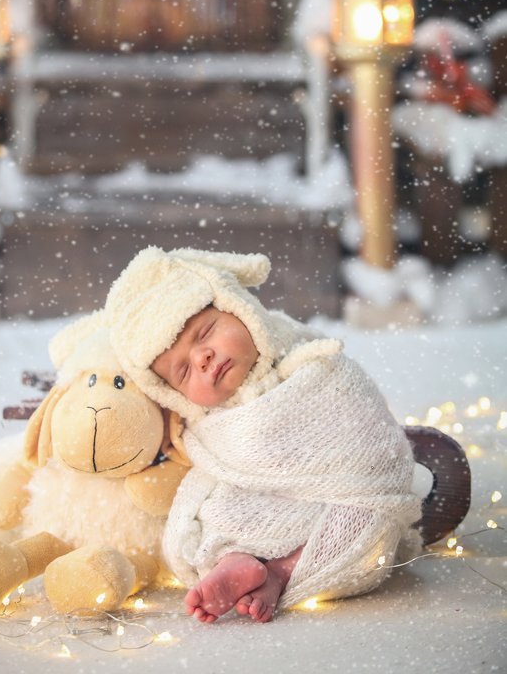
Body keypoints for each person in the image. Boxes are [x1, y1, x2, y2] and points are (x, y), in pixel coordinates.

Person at [106, 247, 422, 623]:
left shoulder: (314, 363)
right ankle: (237, 561)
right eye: (183, 372)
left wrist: (355, 476)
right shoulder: (207, 420)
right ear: (174, 395)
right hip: (256, 503)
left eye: (205, 332)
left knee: (370, 528)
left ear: (238, 307)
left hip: (337, 503)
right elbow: (217, 471)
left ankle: (285, 569)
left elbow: (372, 447)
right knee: (197, 521)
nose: (202, 358)